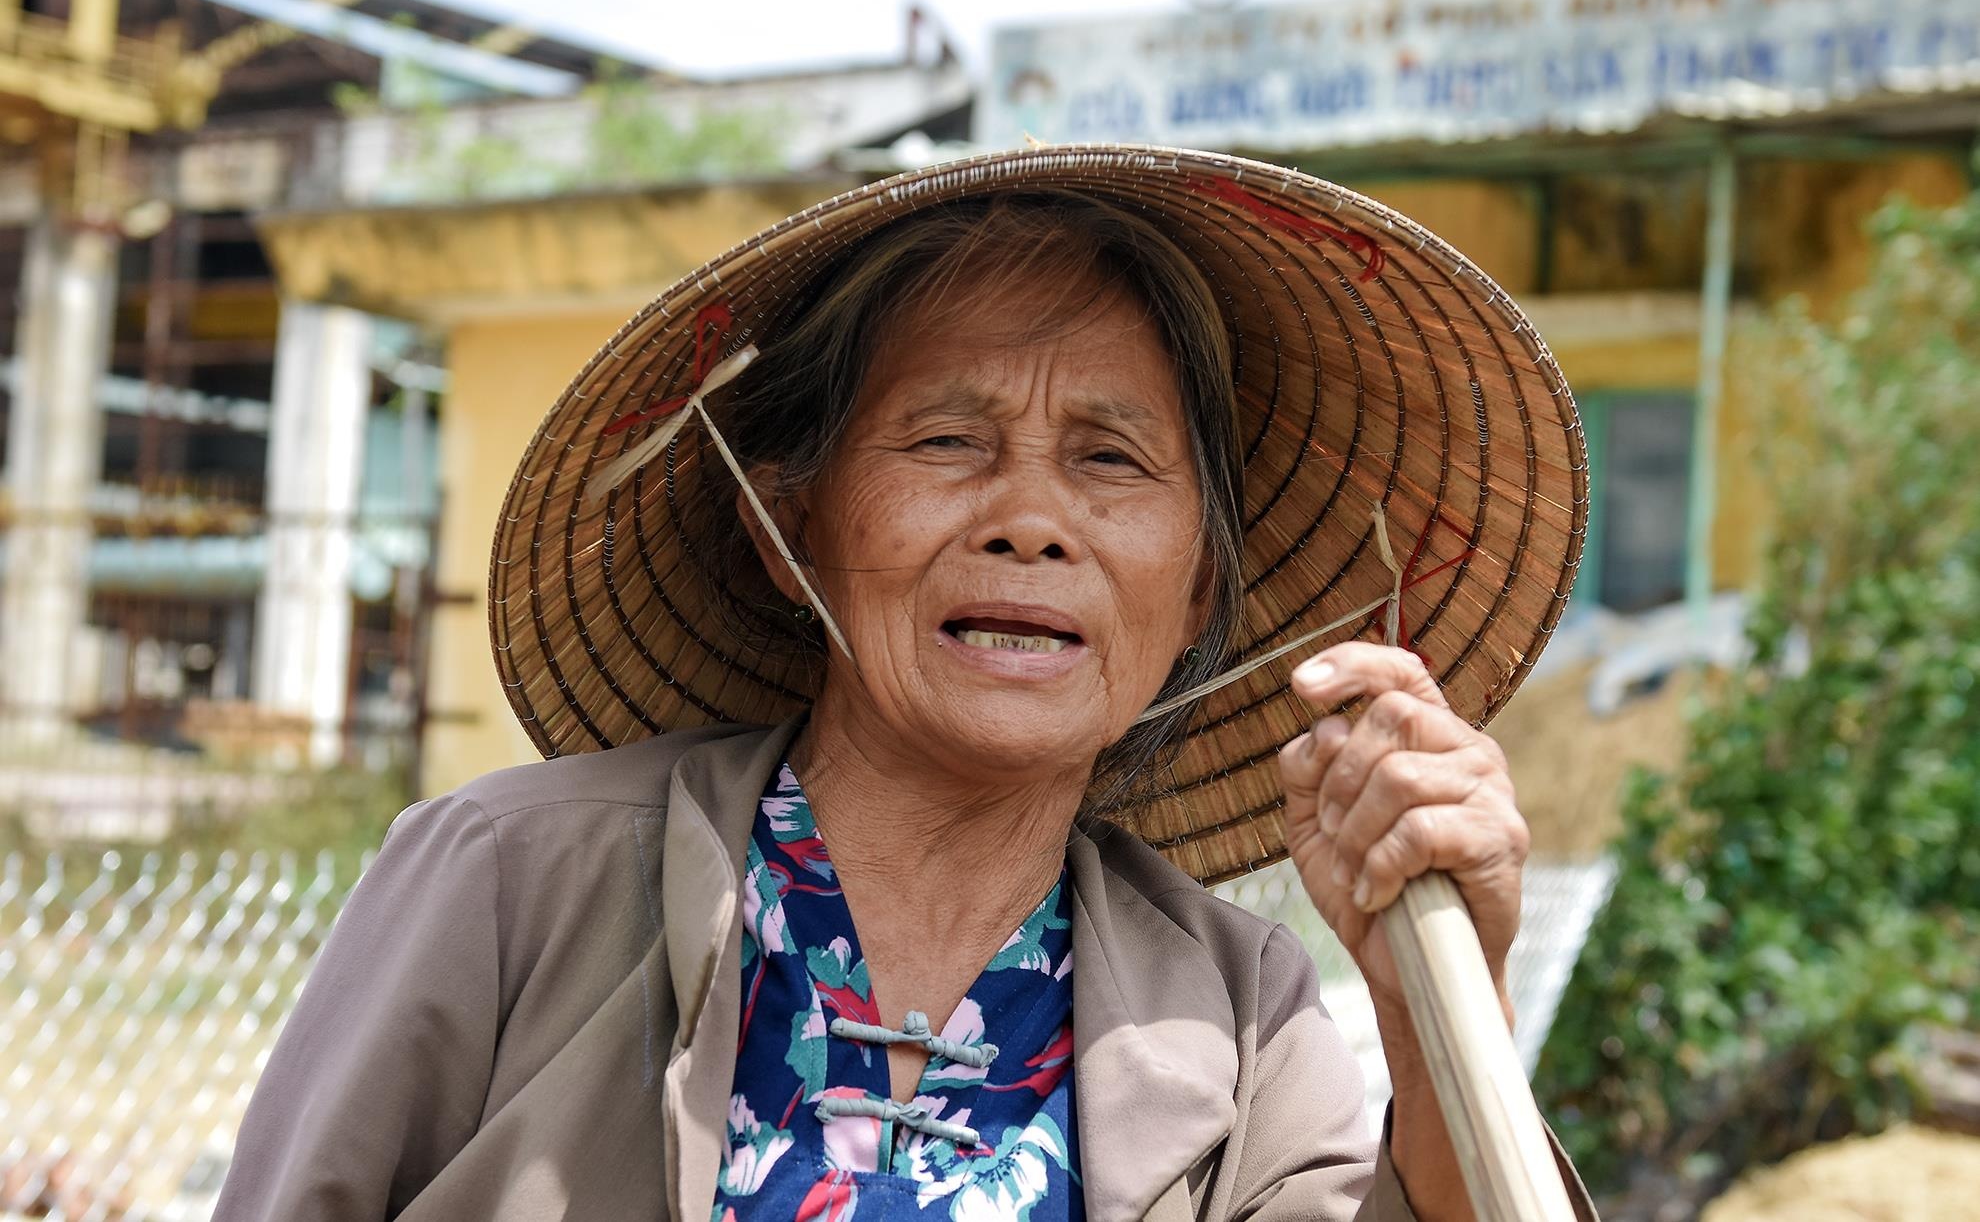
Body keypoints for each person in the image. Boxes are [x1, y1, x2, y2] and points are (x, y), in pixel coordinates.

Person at [216, 147, 1599, 1221]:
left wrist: (1436, 1002)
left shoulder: (1235, 1010)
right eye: (948, 439)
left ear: (1193, 597)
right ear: (787, 528)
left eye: (1111, 459)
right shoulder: (512, 881)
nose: (1031, 519)